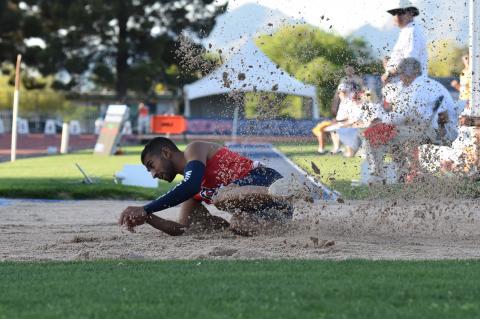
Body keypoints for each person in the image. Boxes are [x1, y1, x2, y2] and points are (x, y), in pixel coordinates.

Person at [118, 137, 293, 236]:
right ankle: (291, 229)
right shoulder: (188, 189)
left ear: (166, 152)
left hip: (266, 180)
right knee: (237, 225)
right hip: (275, 212)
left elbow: (191, 184)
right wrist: (148, 217)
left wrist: (145, 208)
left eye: (151, 165)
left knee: (221, 198)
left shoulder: (194, 149)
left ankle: (289, 192)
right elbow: (183, 228)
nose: (153, 174)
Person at [364, 58, 455, 183]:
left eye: (401, 73)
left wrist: (381, 121)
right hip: (435, 128)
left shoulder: (418, 87)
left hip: (434, 131)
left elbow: (404, 116)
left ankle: (378, 176)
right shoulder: (423, 84)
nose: (400, 77)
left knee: (375, 133)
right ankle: (402, 173)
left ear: (410, 73)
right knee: (388, 132)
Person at [382, 0, 427, 84]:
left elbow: (409, 62)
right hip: (404, 87)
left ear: (411, 13)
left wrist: (389, 73)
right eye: (394, 13)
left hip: (410, 87)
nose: (396, 16)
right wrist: (389, 63)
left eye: (400, 13)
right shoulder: (407, 31)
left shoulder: (411, 32)